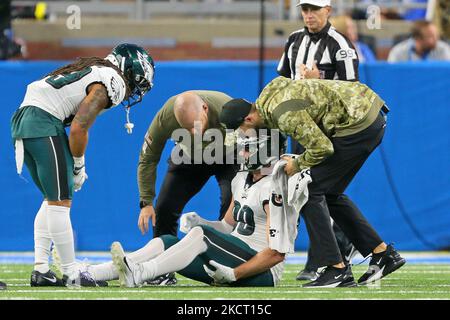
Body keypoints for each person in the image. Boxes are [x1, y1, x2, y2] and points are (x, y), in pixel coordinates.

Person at [219, 76, 406, 288]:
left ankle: (337, 269)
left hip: (359, 124)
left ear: (249, 120)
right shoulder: (267, 98)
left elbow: (322, 148)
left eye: (241, 132)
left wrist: (296, 165)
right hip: (366, 115)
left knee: (306, 189)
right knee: (329, 193)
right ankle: (382, 254)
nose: (243, 138)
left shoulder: (283, 114)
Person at [10, 43, 155, 287]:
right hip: (43, 121)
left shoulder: (94, 68)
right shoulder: (112, 79)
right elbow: (79, 127)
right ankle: (71, 274)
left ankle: (41, 269)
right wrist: (78, 164)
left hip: (25, 118)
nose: (135, 88)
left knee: (51, 198)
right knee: (60, 202)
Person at [110, 133, 303, 288]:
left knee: (202, 235)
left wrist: (234, 274)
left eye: (248, 149)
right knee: (166, 241)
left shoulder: (276, 187)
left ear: (265, 151)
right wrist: (201, 222)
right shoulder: (241, 179)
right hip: (235, 254)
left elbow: (277, 253)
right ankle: (93, 273)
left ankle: (140, 273)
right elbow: (227, 227)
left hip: (261, 271)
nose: (242, 154)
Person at [278, 0, 360, 281]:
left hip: (328, 131)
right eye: (305, 10)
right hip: (301, 127)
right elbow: (282, 80)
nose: (309, 15)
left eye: (314, 9)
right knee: (306, 192)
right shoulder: (294, 40)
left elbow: (353, 91)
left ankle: (324, 259)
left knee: (316, 190)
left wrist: (319, 79)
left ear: (328, 10)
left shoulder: (340, 43)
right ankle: (336, 247)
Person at [136, 90, 239, 285]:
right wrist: (146, 201)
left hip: (229, 155)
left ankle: (230, 266)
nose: (194, 133)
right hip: (189, 156)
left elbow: (254, 139)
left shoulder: (228, 109)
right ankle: (161, 271)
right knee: (164, 208)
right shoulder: (165, 117)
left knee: (232, 205)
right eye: (187, 128)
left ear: (206, 109)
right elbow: (148, 159)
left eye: (196, 126)